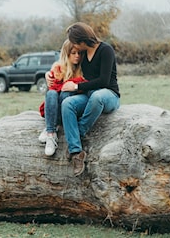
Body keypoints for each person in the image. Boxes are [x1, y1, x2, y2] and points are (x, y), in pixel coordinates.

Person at [51, 22, 120, 176]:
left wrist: (76, 88)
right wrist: (48, 75)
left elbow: (103, 80)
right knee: (67, 103)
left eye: (75, 42)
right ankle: (76, 152)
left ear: (82, 40)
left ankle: (77, 133)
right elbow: (65, 64)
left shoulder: (105, 50)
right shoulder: (82, 55)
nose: (74, 45)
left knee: (97, 96)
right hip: (89, 95)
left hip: (108, 95)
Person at [38, 39, 86, 156]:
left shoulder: (83, 68)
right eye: (73, 53)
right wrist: (49, 76)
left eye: (79, 53)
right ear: (66, 53)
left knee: (66, 94)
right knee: (51, 93)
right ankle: (51, 133)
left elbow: (83, 84)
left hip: (69, 111)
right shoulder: (58, 68)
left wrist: (71, 85)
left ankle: (51, 127)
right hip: (54, 108)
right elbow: (53, 87)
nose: (77, 56)